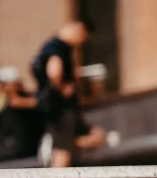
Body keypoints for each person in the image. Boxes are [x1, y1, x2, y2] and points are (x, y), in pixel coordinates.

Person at [30, 20, 105, 168]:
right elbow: (54, 71)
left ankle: (53, 145)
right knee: (63, 151)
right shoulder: (58, 47)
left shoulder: (53, 47)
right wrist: (62, 87)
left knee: (96, 136)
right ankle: (55, 175)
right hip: (60, 108)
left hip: (63, 108)